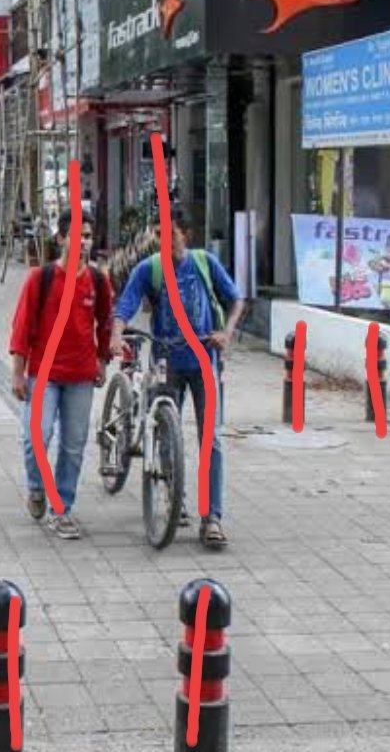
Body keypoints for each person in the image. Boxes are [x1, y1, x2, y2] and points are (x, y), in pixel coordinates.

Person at [110, 210, 244, 549]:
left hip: (203, 360)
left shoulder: (204, 263)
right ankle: (175, 498)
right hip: (165, 360)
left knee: (210, 439)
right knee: (164, 430)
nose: (164, 240)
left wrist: (226, 333)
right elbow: (124, 306)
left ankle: (212, 517)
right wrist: (116, 335)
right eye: (159, 234)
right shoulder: (149, 268)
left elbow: (236, 299)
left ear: (186, 234)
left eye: (171, 234)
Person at [9, 209, 112, 540]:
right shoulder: (41, 278)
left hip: (81, 375)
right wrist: (17, 373)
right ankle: (37, 487)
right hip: (43, 372)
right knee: (35, 436)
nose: (83, 242)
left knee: (73, 445)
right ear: (60, 238)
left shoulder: (98, 280)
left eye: (88, 236)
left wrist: (102, 360)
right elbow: (22, 327)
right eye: (77, 235)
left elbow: (105, 322)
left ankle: (61, 508)